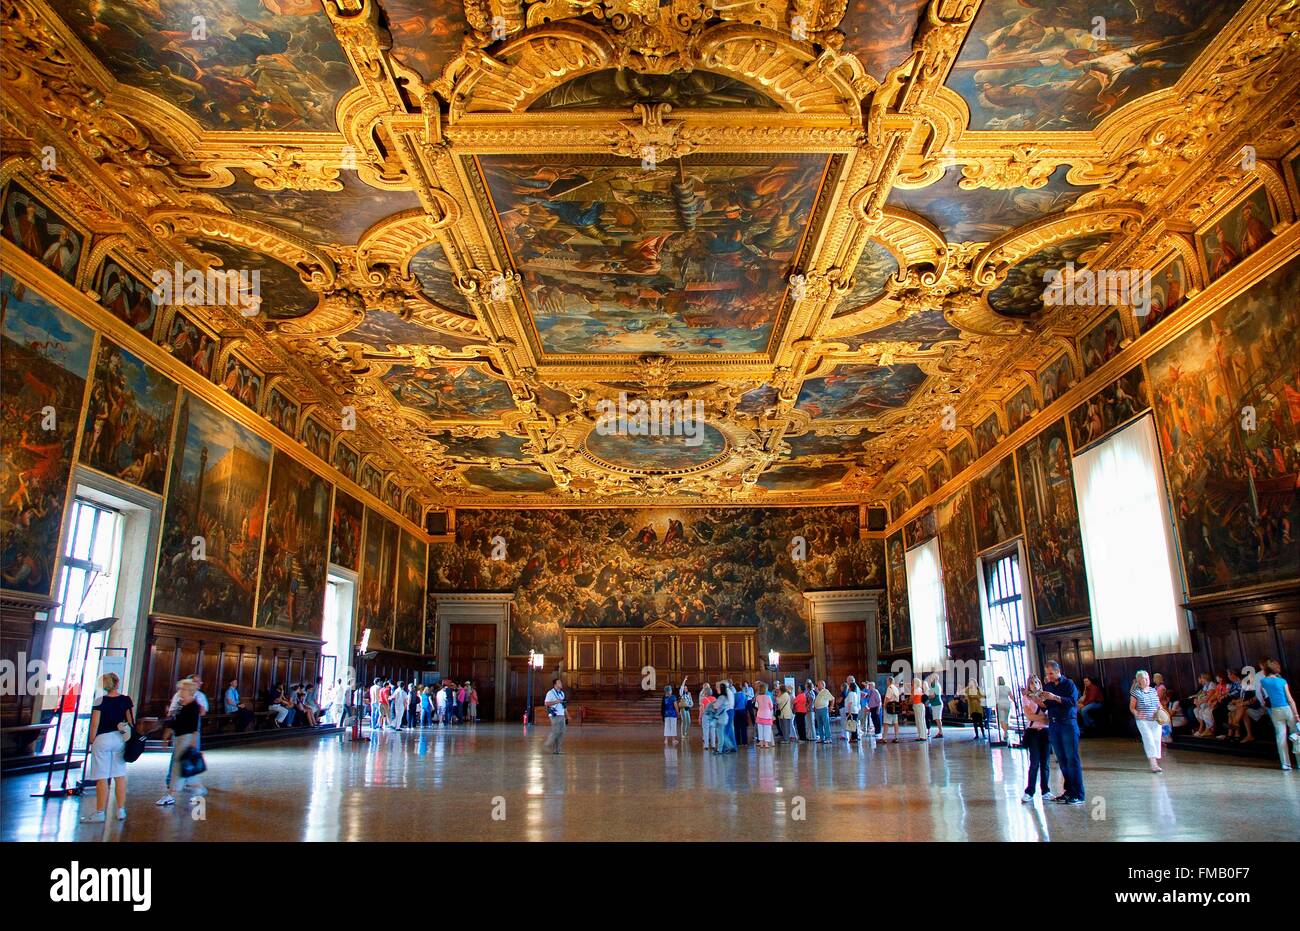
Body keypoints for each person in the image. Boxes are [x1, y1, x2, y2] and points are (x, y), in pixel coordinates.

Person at [82, 673, 134, 823]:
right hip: (119, 738)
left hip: (103, 738)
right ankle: (121, 810)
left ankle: (99, 812)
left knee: (102, 778)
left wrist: (92, 740)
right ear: (117, 683)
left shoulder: (99, 700)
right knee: (120, 776)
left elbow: (94, 724)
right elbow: (131, 721)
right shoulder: (126, 700)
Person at [1040, 661, 1085, 804]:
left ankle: (1078, 794)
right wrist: (1037, 699)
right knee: (1062, 760)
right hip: (1054, 724)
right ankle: (1069, 791)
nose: (1049, 676)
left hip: (1068, 724)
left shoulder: (1069, 684)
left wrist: (1054, 697)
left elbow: (1072, 701)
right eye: (1047, 674)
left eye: (1051, 673)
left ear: (1058, 671)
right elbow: (1047, 705)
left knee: (1072, 759)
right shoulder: (1048, 685)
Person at [157, 678, 205, 807]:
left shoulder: (194, 706)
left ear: (190, 691)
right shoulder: (180, 704)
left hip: (187, 737)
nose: (180, 691)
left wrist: (194, 742)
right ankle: (198, 788)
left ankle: (171, 794)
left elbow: (195, 727)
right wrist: (167, 734)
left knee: (178, 767)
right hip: (178, 736)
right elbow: (174, 721)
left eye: (183, 689)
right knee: (183, 766)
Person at [1257, 660, 1300, 770]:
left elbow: (1262, 694)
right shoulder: (1282, 681)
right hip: (1287, 708)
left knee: (1280, 737)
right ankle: (1299, 762)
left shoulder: (1264, 681)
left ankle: (1285, 763)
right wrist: (1296, 715)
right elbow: (1290, 699)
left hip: (1275, 710)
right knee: (1296, 735)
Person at [1020, 676, 1051, 802]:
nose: (1034, 685)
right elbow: (1029, 716)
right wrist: (1042, 718)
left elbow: (1050, 716)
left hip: (1045, 732)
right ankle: (1030, 791)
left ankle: (1046, 791)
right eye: (1031, 683)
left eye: (1036, 682)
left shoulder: (1046, 697)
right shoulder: (1026, 698)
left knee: (1045, 763)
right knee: (1034, 763)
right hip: (1033, 732)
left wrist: (1040, 718)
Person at [1129, 670, 1164, 773]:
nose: (1148, 680)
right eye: (1145, 678)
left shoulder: (1153, 690)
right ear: (1139, 680)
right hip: (1143, 720)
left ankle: (1155, 759)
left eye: (1148, 678)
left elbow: (1158, 704)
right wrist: (1136, 713)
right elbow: (1132, 707)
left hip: (1155, 719)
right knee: (1149, 739)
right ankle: (1153, 764)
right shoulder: (1135, 692)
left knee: (1156, 739)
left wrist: (1162, 712)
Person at [543, 677, 567, 753]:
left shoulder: (562, 693)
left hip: (561, 714)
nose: (561, 684)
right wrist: (555, 702)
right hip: (554, 714)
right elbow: (546, 703)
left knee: (562, 732)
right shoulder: (550, 693)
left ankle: (557, 749)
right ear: (555, 685)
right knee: (556, 731)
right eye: (559, 683)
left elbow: (563, 705)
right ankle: (547, 745)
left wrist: (566, 714)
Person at [714, 680, 737, 754]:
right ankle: (733, 747)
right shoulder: (728, 691)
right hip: (729, 711)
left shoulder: (726, 693)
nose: (717, 688)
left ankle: (723, 748)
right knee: (729, 730)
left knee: (724, 731)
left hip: (728, 712)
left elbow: (725, 704)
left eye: (718, 686)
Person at [754, 682, 775, 748]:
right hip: (767, 716)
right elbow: (771, 706)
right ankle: (766, 744)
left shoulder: (757, 697)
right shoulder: (768, 697)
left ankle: (761, 743)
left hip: (759, 715)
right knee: (767, 730)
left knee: (760, 730)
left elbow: (756, 706)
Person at [882, 677, 901, 743]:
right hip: (895, 707)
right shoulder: (896, 688)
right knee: (895, 722)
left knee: (886, 722)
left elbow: (887, 698)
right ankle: (896, 737)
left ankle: (884, 738)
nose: (886, 682)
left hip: (889, 707)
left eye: (887, 681)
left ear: (889, 681)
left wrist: (884, 706)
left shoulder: (889, 688)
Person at [994, 676, 1013, 743]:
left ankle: (1005, 732)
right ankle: (1006, 731)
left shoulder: (996, 688)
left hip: (1000, 703)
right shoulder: (1007, 688)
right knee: (1006, 719)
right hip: (1007, 703)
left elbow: (995, 698)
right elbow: (1011, 696)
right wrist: (1015, 703)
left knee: (1001, 719)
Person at [732, 681, 750, 747]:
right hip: (743, 711)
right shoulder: (743, 694)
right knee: (743, 727)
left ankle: (738, 742)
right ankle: (745, 742)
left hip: (736, 711)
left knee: (737, 727)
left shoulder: (734, 695)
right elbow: (745, 703)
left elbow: (733, 704)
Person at [926, 673, 945, 738]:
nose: (930, 679)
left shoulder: (935, 685)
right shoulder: (934, 685)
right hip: (935, 704)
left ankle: (940, 732)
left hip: (937, 704)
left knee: (938, 719)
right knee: (937, 719)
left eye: (932, 677)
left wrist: (927, 698)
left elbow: (933, 696)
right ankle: (940, 732)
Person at [699, 682, 716, 750]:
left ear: (705, 693)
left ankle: (706, 746)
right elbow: (716, 708)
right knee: (713, 731)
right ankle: (713, 745)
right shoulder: (714, 699)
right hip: (712, 716)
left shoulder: (703, 700)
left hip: (705, 716)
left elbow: (702, 710)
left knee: (705, 731)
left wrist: (700, 717)